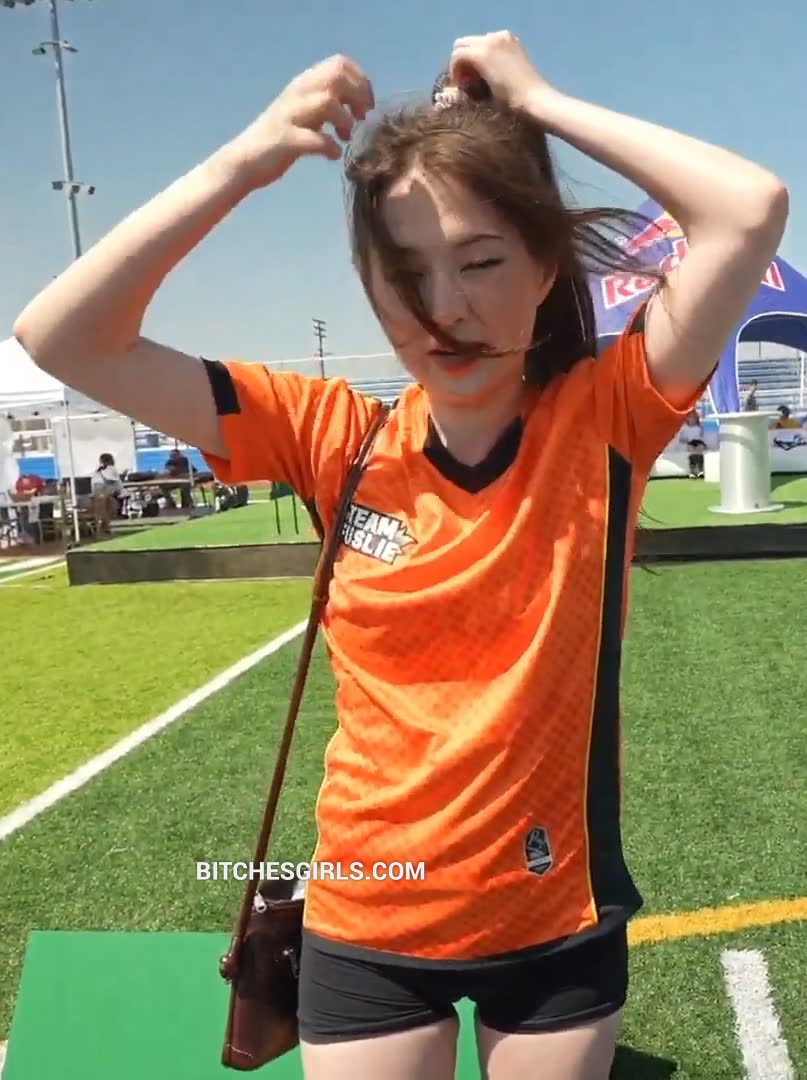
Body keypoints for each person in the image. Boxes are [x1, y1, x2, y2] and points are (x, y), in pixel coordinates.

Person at [11, 32, 787, 1080]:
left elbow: (746, 208)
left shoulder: (607, 418)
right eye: (404, 273)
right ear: (368, 286)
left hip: (554, 918)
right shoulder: (328, 433)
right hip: (367, 917)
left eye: (480, 261)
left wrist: (537, 101)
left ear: (544, 266)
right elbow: (62, 335)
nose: (445, 308)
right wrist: (246, 158)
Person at [90, 452, 124, 535]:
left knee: (107, 504)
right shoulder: (110, 470)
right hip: (102, 495)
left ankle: (104, 526)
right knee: (108, 505)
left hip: (99, 495)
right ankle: (105, 526)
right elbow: (116, 485)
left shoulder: (98, 471)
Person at [678, 408, 707, 478]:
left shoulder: (699, 428)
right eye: (691, 418)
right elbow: (681, 439)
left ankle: (700, 470)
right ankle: (693, 471)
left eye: (694, 418)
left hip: (699, 442)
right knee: (692, 450)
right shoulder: (685, 428)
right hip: (690, 442)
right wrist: (686, 440)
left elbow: (703, 437)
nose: (692, 420)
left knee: (700, 449)